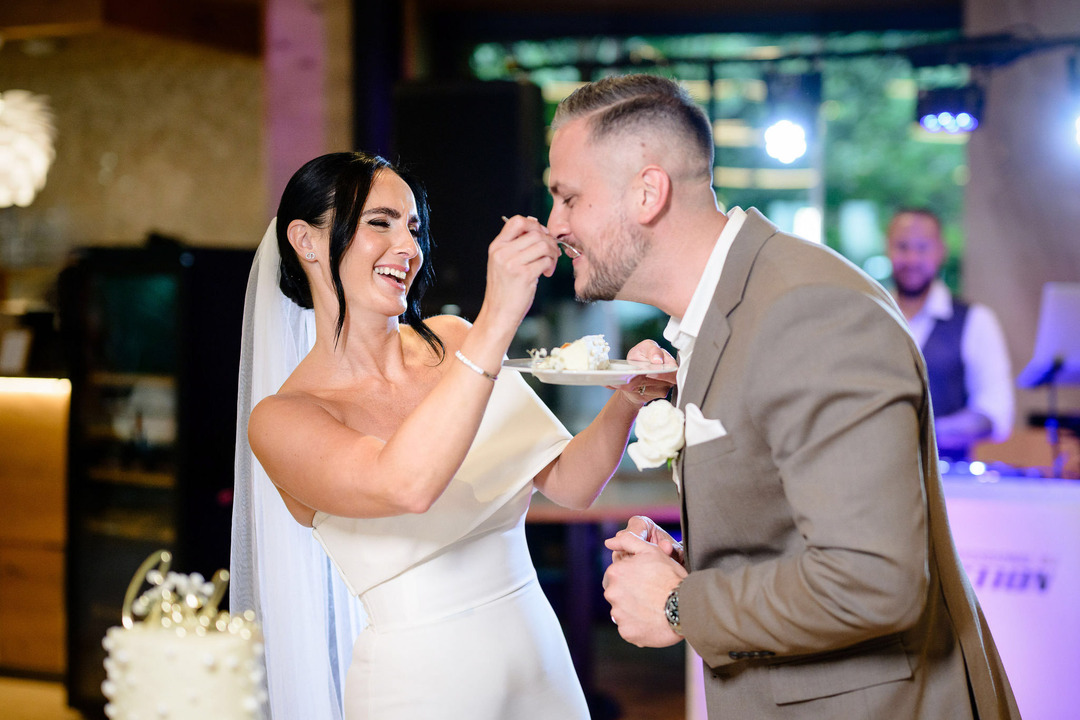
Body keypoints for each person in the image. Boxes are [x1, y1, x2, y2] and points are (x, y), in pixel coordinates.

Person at [544, 74, 1020, 718]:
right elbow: (797, 531)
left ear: (647, 193)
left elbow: (875, 579)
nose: (555, 225)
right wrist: (688, 566)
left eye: (569, 198)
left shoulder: (809, 311)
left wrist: (681, 606)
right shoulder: (729, 310)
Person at [229, 151, 670, 720]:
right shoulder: (283, 418)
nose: (409, 250)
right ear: (306, 240)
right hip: (419, 687)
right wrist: (497, 319)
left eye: (413, 228)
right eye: (379, 223)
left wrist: (629, 396)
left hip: (540, 664)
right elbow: (406, 486)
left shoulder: (453, 342)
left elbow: (570, 481)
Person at [886, 208, 1014, 461]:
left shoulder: (975, 320)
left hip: (950, 485)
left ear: (941, 251)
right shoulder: (869, 319)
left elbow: (995, 412)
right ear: (888, 248)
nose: (911, 259)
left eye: (922, 248)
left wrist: (926, 431)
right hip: (874, 477)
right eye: (902, 247)